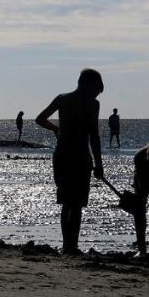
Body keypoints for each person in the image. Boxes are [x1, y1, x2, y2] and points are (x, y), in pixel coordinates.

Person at [36, 68, 105, 255]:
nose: (97, 94)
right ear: (89, 84)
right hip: (80, 157)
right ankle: (71, 246)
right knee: (76, 204)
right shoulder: (92, 103)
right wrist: (99, 164)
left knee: (67, 202)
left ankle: (67, 245)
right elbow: (94, 136)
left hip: (61, 155)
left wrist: (55, 129)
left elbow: (40, 119)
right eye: (97, 89)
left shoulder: (62, 99)